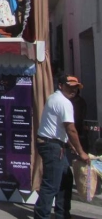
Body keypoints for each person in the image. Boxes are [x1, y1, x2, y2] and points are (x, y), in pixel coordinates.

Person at [34, 75, 89, 219]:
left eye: (75, 87)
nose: (73, 90)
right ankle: (42, 216)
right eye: (70, 86)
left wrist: (70, 145)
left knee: (65, 179)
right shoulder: (64, 102)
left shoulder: (53, 98)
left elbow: (58, 128)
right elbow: (70, 129)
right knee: (51, 185)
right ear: (60, 85)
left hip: (52, 144)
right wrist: (82, 152)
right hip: (52, 146)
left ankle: (62, 214)